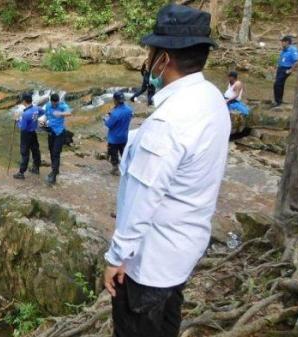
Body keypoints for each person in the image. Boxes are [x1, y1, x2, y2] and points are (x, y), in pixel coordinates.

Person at [103, 5, 230, 337]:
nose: (148, 58)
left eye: (151, 51)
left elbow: (143, 199)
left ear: (165, 59)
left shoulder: (167, 123)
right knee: (166, 325)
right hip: (183, 251)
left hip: (149, 265)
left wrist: (116, 257)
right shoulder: (212, 99)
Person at [42, 93, 72, 186]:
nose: (55, 105)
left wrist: (60, 113)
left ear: (58, 101)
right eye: (54, 103)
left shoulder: (62, 105)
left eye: (56, 103)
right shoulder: (48, 105)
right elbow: (47, 115)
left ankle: (53, 176)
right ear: (51, 101)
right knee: (51, 151)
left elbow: (69, 113)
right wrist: (43, 120)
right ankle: (55, 169)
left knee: (56, 153)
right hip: (51, 132)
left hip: (60, 133)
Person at [13, 93, 43, 180]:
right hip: (33, 132)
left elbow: (22, 127)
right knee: (35, 150)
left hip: (26, 135)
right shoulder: (36, 108)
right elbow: (43, 112)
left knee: (25, 153)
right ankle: (36, 168)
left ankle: (21, 173)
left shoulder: (26, 114)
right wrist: (35, 119)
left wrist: (17, 120)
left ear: (24, 101)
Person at [104, 92, 133, 176]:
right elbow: (128, 115)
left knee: (113, 154)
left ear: (115, 100)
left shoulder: (115, 114)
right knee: (124, 153)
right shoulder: (129, 109)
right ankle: (127, 168)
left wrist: (106, 119)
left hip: (114, 138)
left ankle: (115, 169)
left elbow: (109, 124)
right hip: (124, 136)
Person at [273, 35, 298, 107]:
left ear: (287, 42)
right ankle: (279, 100)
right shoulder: (284, 49)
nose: (281, 43)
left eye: (282, 42)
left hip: (286, 69)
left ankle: (278, 101)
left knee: (277, 84)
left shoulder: (293, 49)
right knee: (279, 84)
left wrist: (290, 70)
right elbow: (281, 59)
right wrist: (276, 68)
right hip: (280, 68)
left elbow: (296, 61)